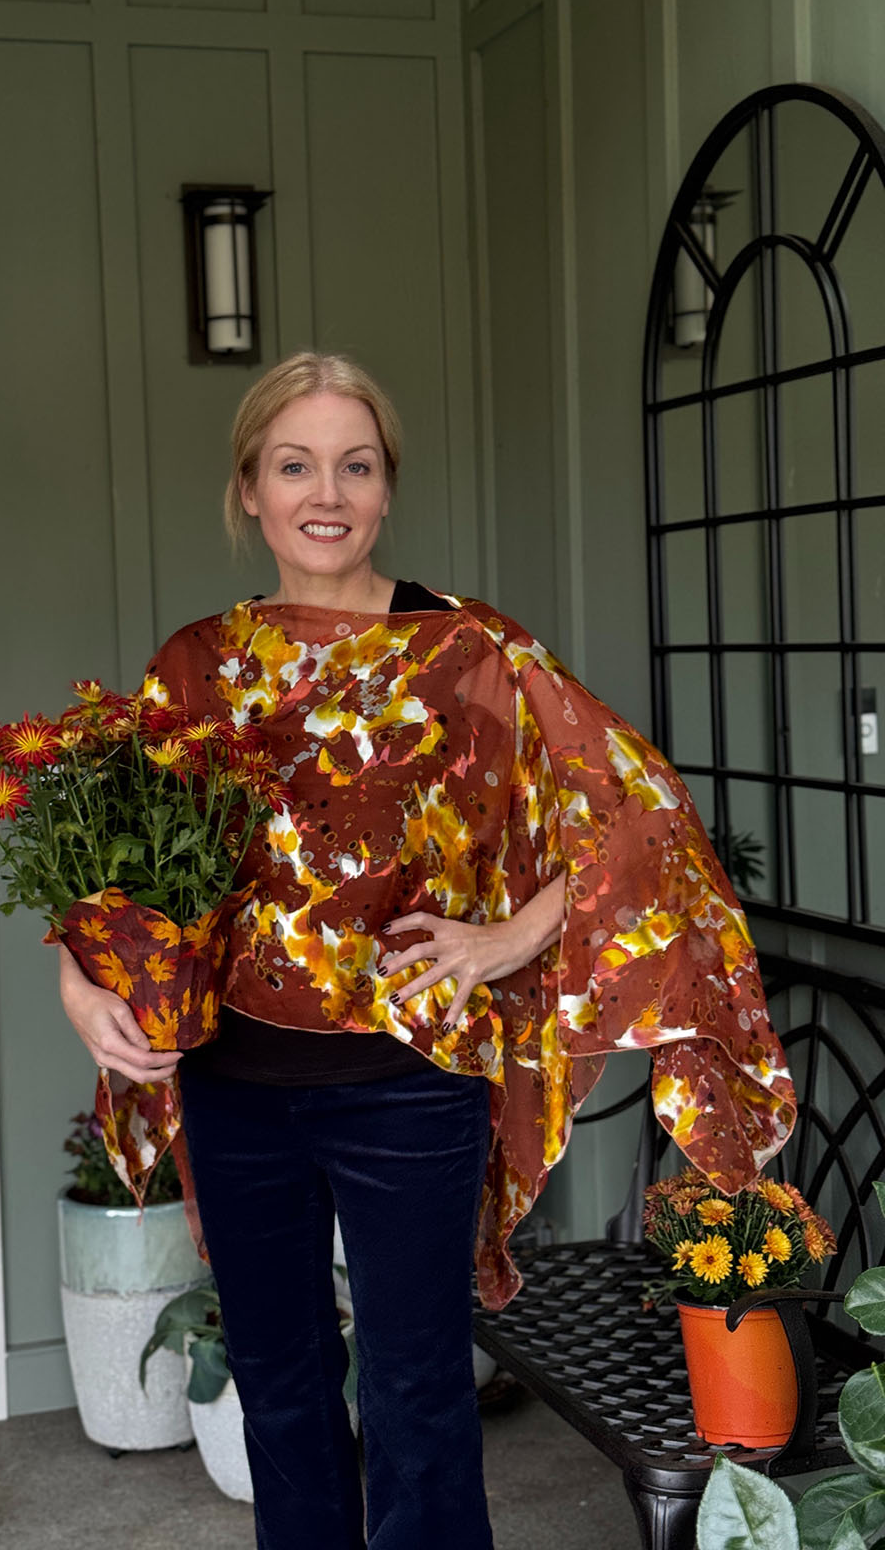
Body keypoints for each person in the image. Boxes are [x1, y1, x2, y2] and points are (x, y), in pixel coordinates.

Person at [58, 352, 795, 1550]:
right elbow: (122, 874)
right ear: (251, 488)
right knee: (283, 1393)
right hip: (234, 1085)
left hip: (408, 1089)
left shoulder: (470, 655)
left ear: (387, 488)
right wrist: (75, 978)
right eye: (295, 464)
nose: (325, 491)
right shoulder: (195, 666)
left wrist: (508, 934)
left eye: (354, 464)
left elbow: (638, 818)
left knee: (415, 1401)